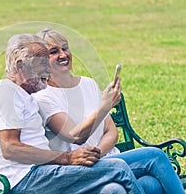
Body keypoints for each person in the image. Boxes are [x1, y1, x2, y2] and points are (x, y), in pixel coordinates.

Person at [0, 33, 146, 194]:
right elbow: (10, 148)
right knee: (118, 168)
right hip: (25, 179)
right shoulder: (6, 92)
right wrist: (67, 158)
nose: (47, 69)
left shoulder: (25, 95)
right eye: (42, 63)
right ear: (21, 65)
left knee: (112, 191)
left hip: (44, 171)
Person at [33, 28, 185, 194]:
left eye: (65, 48)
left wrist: (99, 155)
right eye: (54, 52)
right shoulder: (44, 98)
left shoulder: (88, 84)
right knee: (156, 157)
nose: (63, 55)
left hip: (107, 159)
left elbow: (111, 131)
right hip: (81, 169)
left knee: (144, 185)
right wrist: (105, 106)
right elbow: (75, 136)